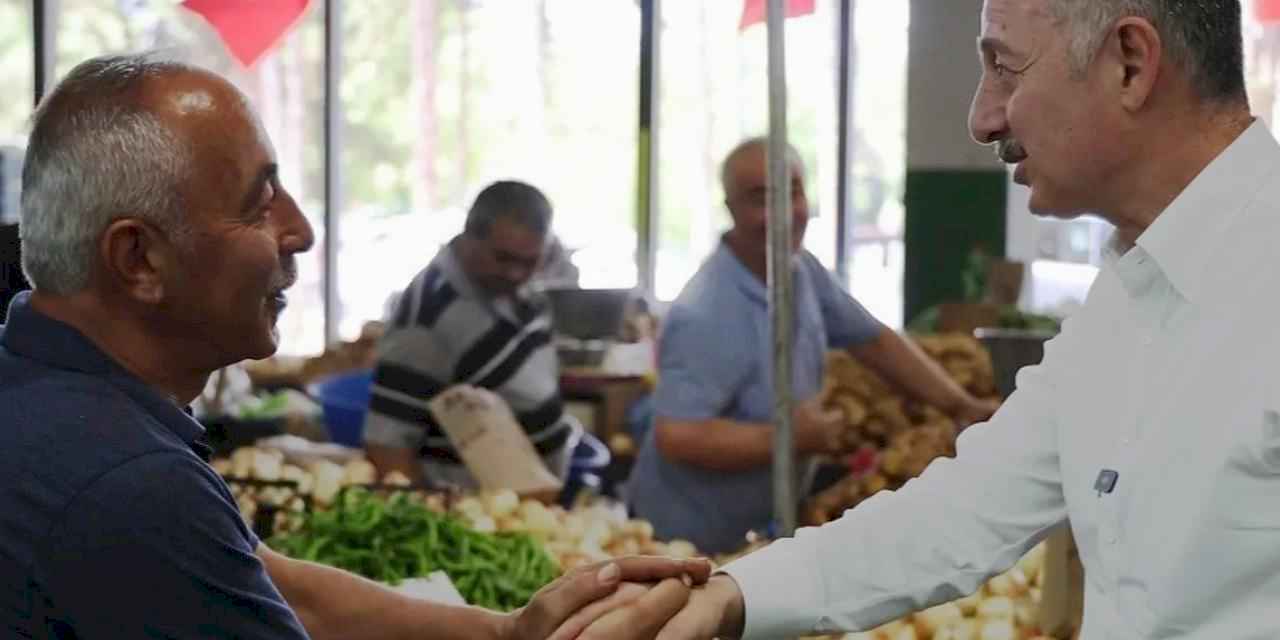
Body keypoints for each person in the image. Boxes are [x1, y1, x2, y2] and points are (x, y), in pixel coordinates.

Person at [588, 0, 1280, 637]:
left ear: (1129, 63)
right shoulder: (1128, 298)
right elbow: (965, 509)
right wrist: (730, 594)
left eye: (1003, 68)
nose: (983, 117)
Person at [0, 54, 712, 639]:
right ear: (140, 260)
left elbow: (279, 588)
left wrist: (505, 633)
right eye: (260, 202)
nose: (301, 229)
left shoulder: (38, 382)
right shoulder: (128, 486)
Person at [627, 137, 998, 554]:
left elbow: (873, 341)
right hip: (684, 538)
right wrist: (789, 438)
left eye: (793, 193)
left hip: (756, 526)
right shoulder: (706, 311)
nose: (781, 214)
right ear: (730, 209)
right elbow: (679, 435)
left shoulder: (800, 271)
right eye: (759, 198)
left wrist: (961, 405)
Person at [364, 181, 576, 489]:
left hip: (536, 503)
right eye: (503, 259)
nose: (516, 274)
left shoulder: (516, 286)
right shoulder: (428, 319)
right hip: (478, 515)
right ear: (469, 235)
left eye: (529, 262)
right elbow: (387, 449)